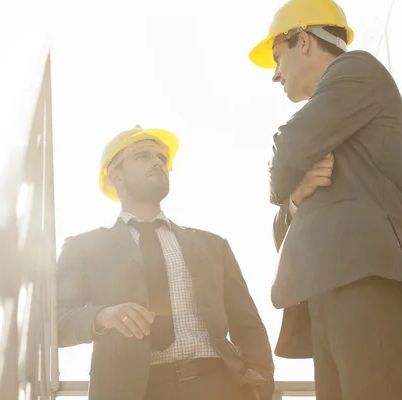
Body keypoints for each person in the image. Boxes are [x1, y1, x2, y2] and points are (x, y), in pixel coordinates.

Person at [248, 0, 402, 399]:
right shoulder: (336, 116)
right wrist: (295, 197)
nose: (275, 75)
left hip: (365, 282)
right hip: (328, 294)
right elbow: (284, 234)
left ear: (304, 41)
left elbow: (287, 152)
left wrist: (287, 178)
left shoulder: (357, 70)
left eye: (278, 57)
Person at [55, 125, 274, 400]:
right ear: (116, 175)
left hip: (219, 386)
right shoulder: (84, 248)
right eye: (142, 156)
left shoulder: (213, 245)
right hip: (137, 392)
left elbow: (248, 325)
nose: (158, 163)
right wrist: (102, 316)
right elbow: (54, 323)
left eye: (161, 158)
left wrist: (261, 386)